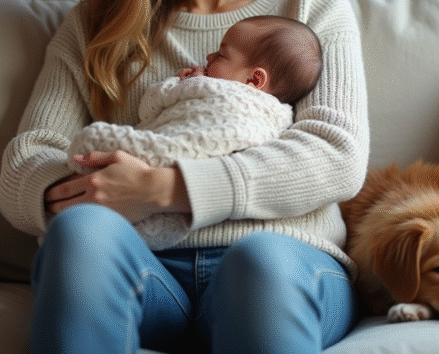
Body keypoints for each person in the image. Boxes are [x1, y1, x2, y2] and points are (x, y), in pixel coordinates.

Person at [0, 0, 370, 354]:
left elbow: (336, 155)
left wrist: (165, 189)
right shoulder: (99, 25)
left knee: (260, 266)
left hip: (282, 260)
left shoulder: (310, 6)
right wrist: (91, 191)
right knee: (80, 233)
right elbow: (25, 162)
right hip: (149, 272)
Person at [67, 15, 323, 251]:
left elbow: (150, 108)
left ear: (254, 80)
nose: (209, 56)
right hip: (195, 218)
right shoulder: (280, 116)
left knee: (94, 144)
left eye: (221, 55)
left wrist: (182, 84)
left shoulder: (214, 91)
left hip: (180, 174)